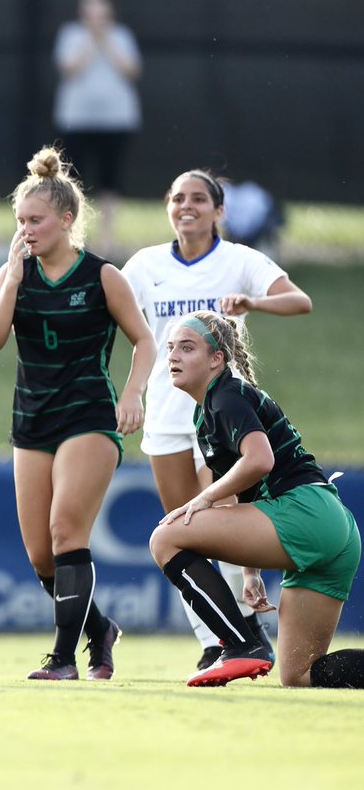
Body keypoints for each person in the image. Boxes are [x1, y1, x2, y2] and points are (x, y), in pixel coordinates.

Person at [0, 146, 155, 681]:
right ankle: (100, 630)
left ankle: (62, 659)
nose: (25, 230)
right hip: (31, 421)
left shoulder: (102, 276)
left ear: (66, 220)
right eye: (19, 222)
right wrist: (9, 279)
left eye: (35, 220)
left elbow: (144, 341)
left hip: (89, 416)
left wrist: (132, 395)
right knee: (40, 556)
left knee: (65, 531)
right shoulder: (15, 274)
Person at [122, 169, 312, 670]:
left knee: (219, 525)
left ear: (219, 211)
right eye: (178, 197)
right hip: (165, 416)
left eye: (199, 199)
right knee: (181, 529)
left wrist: (253, 302)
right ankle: (214, 642)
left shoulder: (238, 260)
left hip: (220, 414)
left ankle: (244, 635)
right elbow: (122, 321)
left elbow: (300, 300)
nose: (188, 206)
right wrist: (132, 391)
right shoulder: (144, 265)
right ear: (167, 206)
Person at [150, 310, 362, 688]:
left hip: (303, 512)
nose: (173, 356)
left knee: (165, 537)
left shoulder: (226, 395)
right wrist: (250, 573)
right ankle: (243, 643)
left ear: (217, 358)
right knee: (299, 675)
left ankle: (241, 644)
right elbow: (244, 490)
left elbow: (260, 461)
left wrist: (201, 499)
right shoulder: (214, 406)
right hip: (332, 525)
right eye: (170, 348)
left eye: (187, 347)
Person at [52, 0, 141, 257]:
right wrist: (92, 40)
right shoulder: (71, 35)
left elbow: (131, 70)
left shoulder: (121, 36)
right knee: (73, 178)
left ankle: (107, 237)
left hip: (116, 120)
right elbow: (69, 68)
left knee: (109, 178)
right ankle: (76, 235)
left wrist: (107, 41)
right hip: (76, 120)